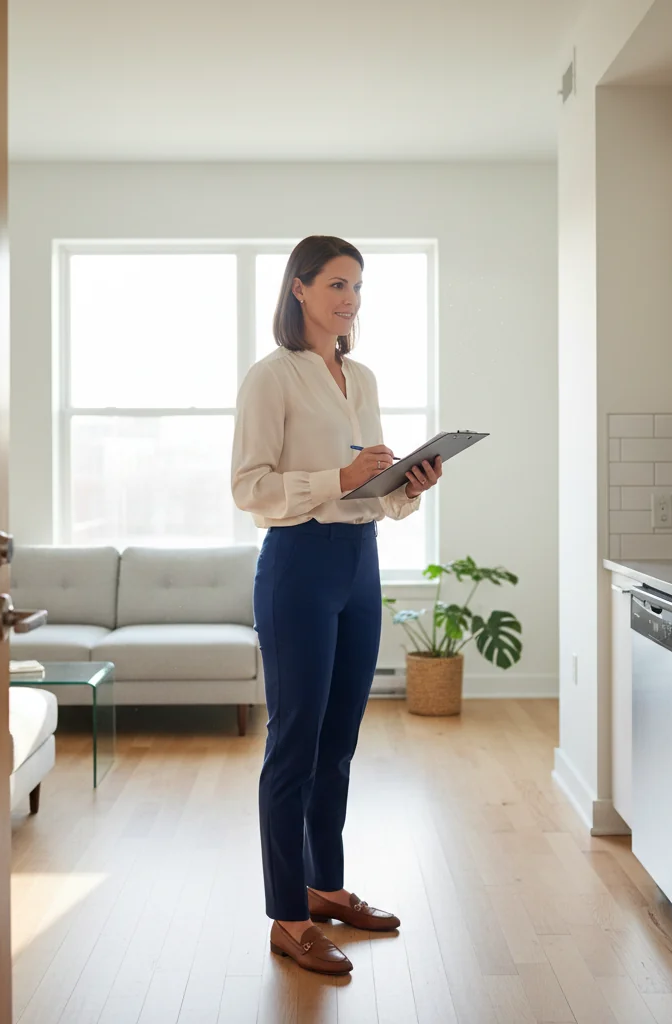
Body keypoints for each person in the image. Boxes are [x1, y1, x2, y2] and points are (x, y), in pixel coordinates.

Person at [231, 236, 443, 975]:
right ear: (298, 290)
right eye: (335, 284)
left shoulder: (363, 378)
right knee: (293, 745)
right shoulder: (271, 378)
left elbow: (368, 490)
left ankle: (326, 887)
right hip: (297, 566)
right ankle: (288, 917)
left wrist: (406, 486)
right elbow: (249, 488)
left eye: (356, 286)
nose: (349, 298)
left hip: (359, 564)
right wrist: (339, 475)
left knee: (339, 744)